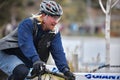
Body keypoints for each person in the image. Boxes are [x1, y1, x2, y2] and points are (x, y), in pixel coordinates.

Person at [0, 0, 75, 80]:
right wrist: (36, 60)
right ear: (43, 16)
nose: (56, 22)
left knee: (26, 74)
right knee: (22, 72)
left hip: (24, 59)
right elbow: (26, 44)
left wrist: (66, 70)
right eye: (53, 17)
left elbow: (58, 52)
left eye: (58, 18)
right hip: (6, 53)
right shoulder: (27, 24)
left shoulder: (54, 33)